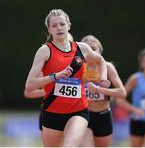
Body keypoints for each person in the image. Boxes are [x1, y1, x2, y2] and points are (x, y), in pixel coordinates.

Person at [24, 9, 109, 147]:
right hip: (52, 112)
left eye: (62, 24)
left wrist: (103, 78)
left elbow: (100, 60)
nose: (59, 28)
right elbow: (29, 85)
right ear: (49, 29)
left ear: (68, 26)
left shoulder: (82, 48)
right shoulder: (45, 51)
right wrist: (55, 76)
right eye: (54, 25)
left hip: (79, 110)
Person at [80, 35, 126, 147]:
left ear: (100, 51)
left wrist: (99, 89)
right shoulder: (78, 67)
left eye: (94, 49)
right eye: (88, 50)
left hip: (103, 116)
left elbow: (122, 92)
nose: (91, 53)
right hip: (83, 115)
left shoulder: (107, 67)